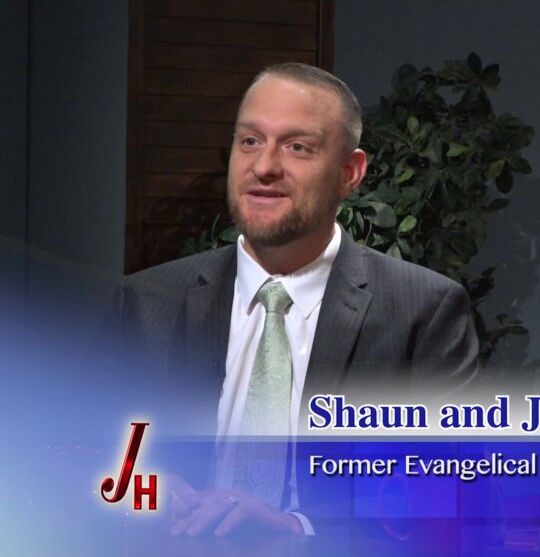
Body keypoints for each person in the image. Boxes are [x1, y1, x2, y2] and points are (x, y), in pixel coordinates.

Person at [104, 63, 479, 536]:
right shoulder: (146, 302)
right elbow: (79, 455)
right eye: (250, 141)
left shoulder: (423, 312)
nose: (264, 167)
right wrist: (136, 488)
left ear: (349, 172)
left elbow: (447, 501)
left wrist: (298, 532)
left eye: (297, 147)